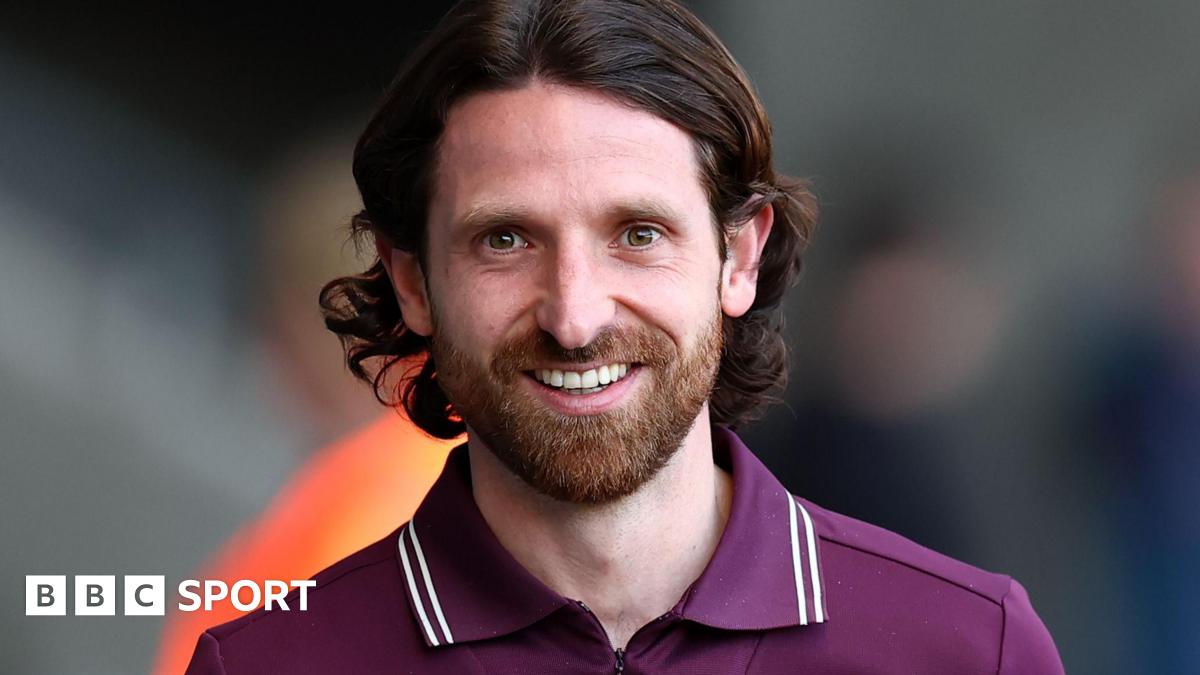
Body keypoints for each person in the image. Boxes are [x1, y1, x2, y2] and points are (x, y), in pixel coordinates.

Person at [186, 0, 1064, 672]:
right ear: (412, 280)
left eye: (638, 234)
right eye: (506, 239)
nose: (575, 317)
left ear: (739, 257)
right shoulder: (267, 664)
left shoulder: (968, 650)